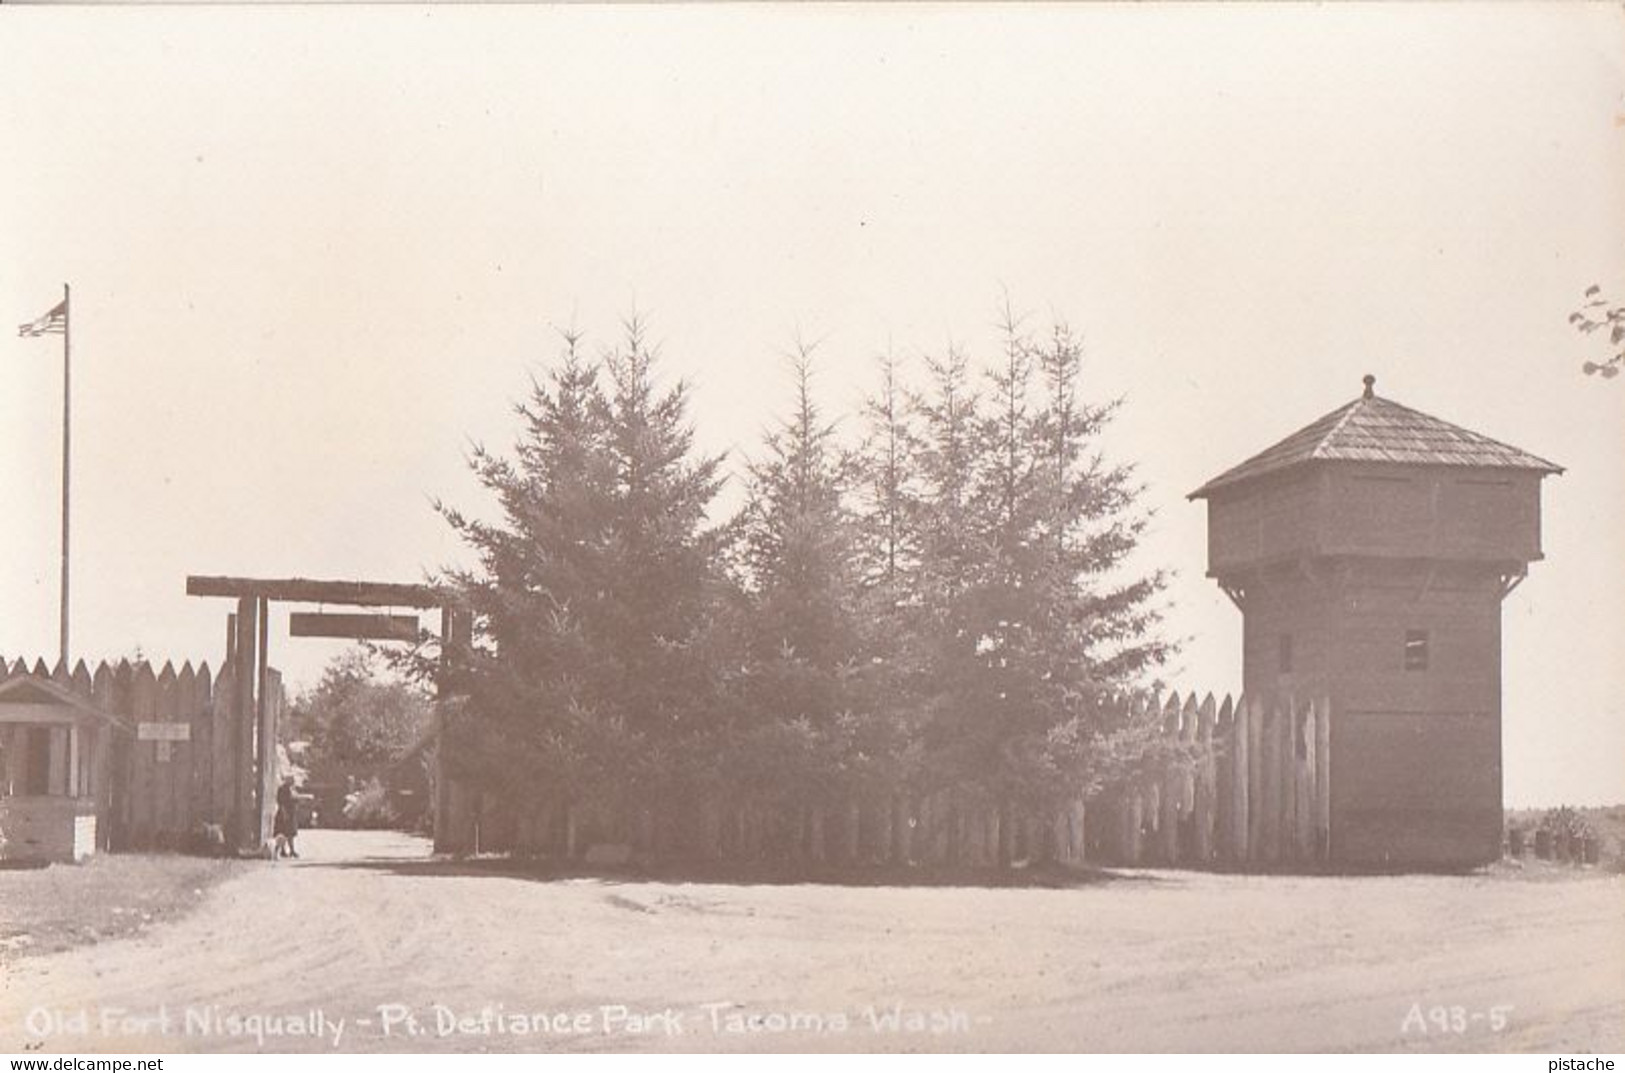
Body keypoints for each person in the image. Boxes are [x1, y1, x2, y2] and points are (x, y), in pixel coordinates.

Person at [273, 775, 303, 859]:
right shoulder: (283, 789)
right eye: (291, 780)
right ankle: (282, 850)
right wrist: (284, 813)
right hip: (285, 813)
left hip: (291, 813)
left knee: (291, 833)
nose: (293, 781)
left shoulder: (292, 789)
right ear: (287, 780)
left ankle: (291, 850)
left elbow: (294, 798)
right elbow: (281, 802)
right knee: (283, 832)